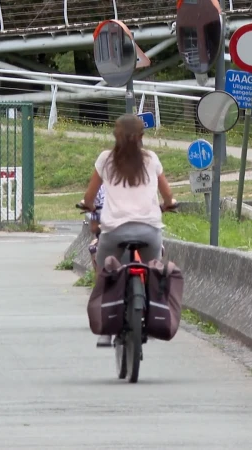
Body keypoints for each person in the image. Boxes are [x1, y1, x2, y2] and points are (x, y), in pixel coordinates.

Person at [80, 114, 177, 348]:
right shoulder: (151, 159)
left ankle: (104, 330)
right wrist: (169, 205)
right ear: (142, 137)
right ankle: (152, 319)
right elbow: (168, 195)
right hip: (149, 230)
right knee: (153, 271)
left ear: (115, 136)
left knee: (105, 273)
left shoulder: (105, 160)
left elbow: (89, 197)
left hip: (114, 231)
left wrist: (89, 206)